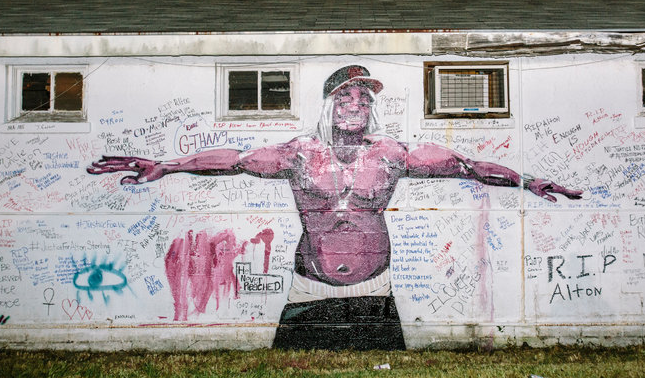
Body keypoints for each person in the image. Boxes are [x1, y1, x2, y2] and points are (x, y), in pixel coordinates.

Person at [88, 65, 581, 350]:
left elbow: (469, 166)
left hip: (375, 286)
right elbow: (234, 161)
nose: (356, 104)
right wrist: (167, 166)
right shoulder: (298, 155)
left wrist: (530, 181)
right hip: (309, 289)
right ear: (328, 104)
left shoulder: (393, 155)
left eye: (364, 98)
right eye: (346, 96)